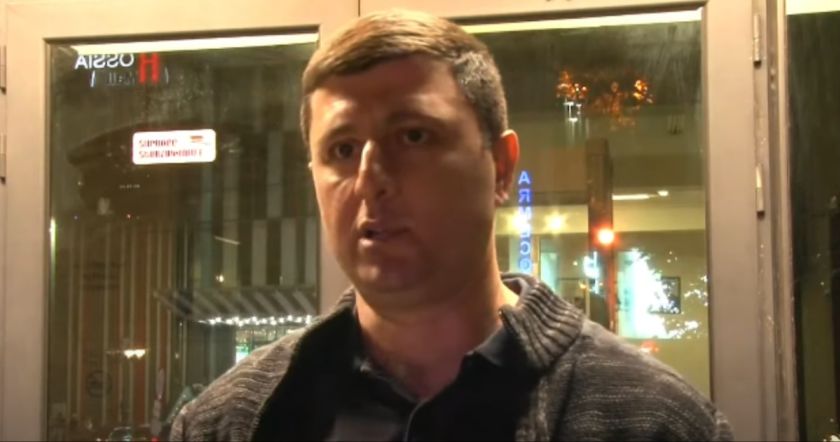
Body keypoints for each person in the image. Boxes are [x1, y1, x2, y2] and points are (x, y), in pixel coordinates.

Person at [171, 9, 732, 441]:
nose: (370, 180)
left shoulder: (652, 422)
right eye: (342, 149)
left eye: (413, 136)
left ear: (501, 168)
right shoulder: (228, 423)